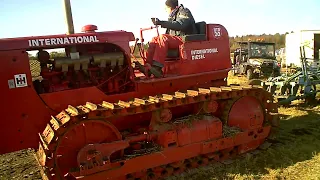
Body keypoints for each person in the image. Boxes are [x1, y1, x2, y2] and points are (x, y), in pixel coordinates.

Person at [144, 0, 197, 77]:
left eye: (166, 8)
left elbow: (181, 25)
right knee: (155, 39)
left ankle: (157, 68)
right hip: (177, 39)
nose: (165, 10)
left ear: (171, 7)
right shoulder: (172, 16)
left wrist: (161, 23)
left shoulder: (184, 12)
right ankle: (148, 65)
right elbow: (169, 32)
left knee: (163, 38)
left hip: (186, 39)